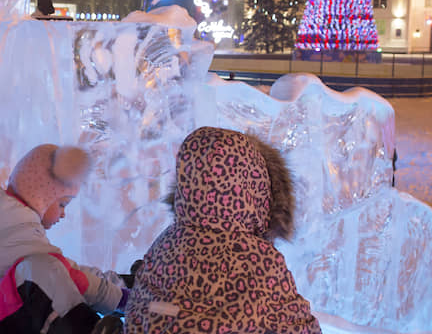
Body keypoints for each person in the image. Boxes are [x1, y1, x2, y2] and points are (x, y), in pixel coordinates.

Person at [125, 127, 321, 334]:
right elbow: (298, 327)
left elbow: (138, 312)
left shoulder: (163, 248)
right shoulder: (260, 262)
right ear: (257, 187)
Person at [0, 144, 128, 334]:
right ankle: (88, 329)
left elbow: (67, 271)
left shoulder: (2, 218)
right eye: (62, 204)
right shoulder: (17, 228)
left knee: (51, 269)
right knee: (44, 269)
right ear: (42, 196)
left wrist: (120, 287)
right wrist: (123, 300)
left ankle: (125, 283)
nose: (63, 214)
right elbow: (70, 276)